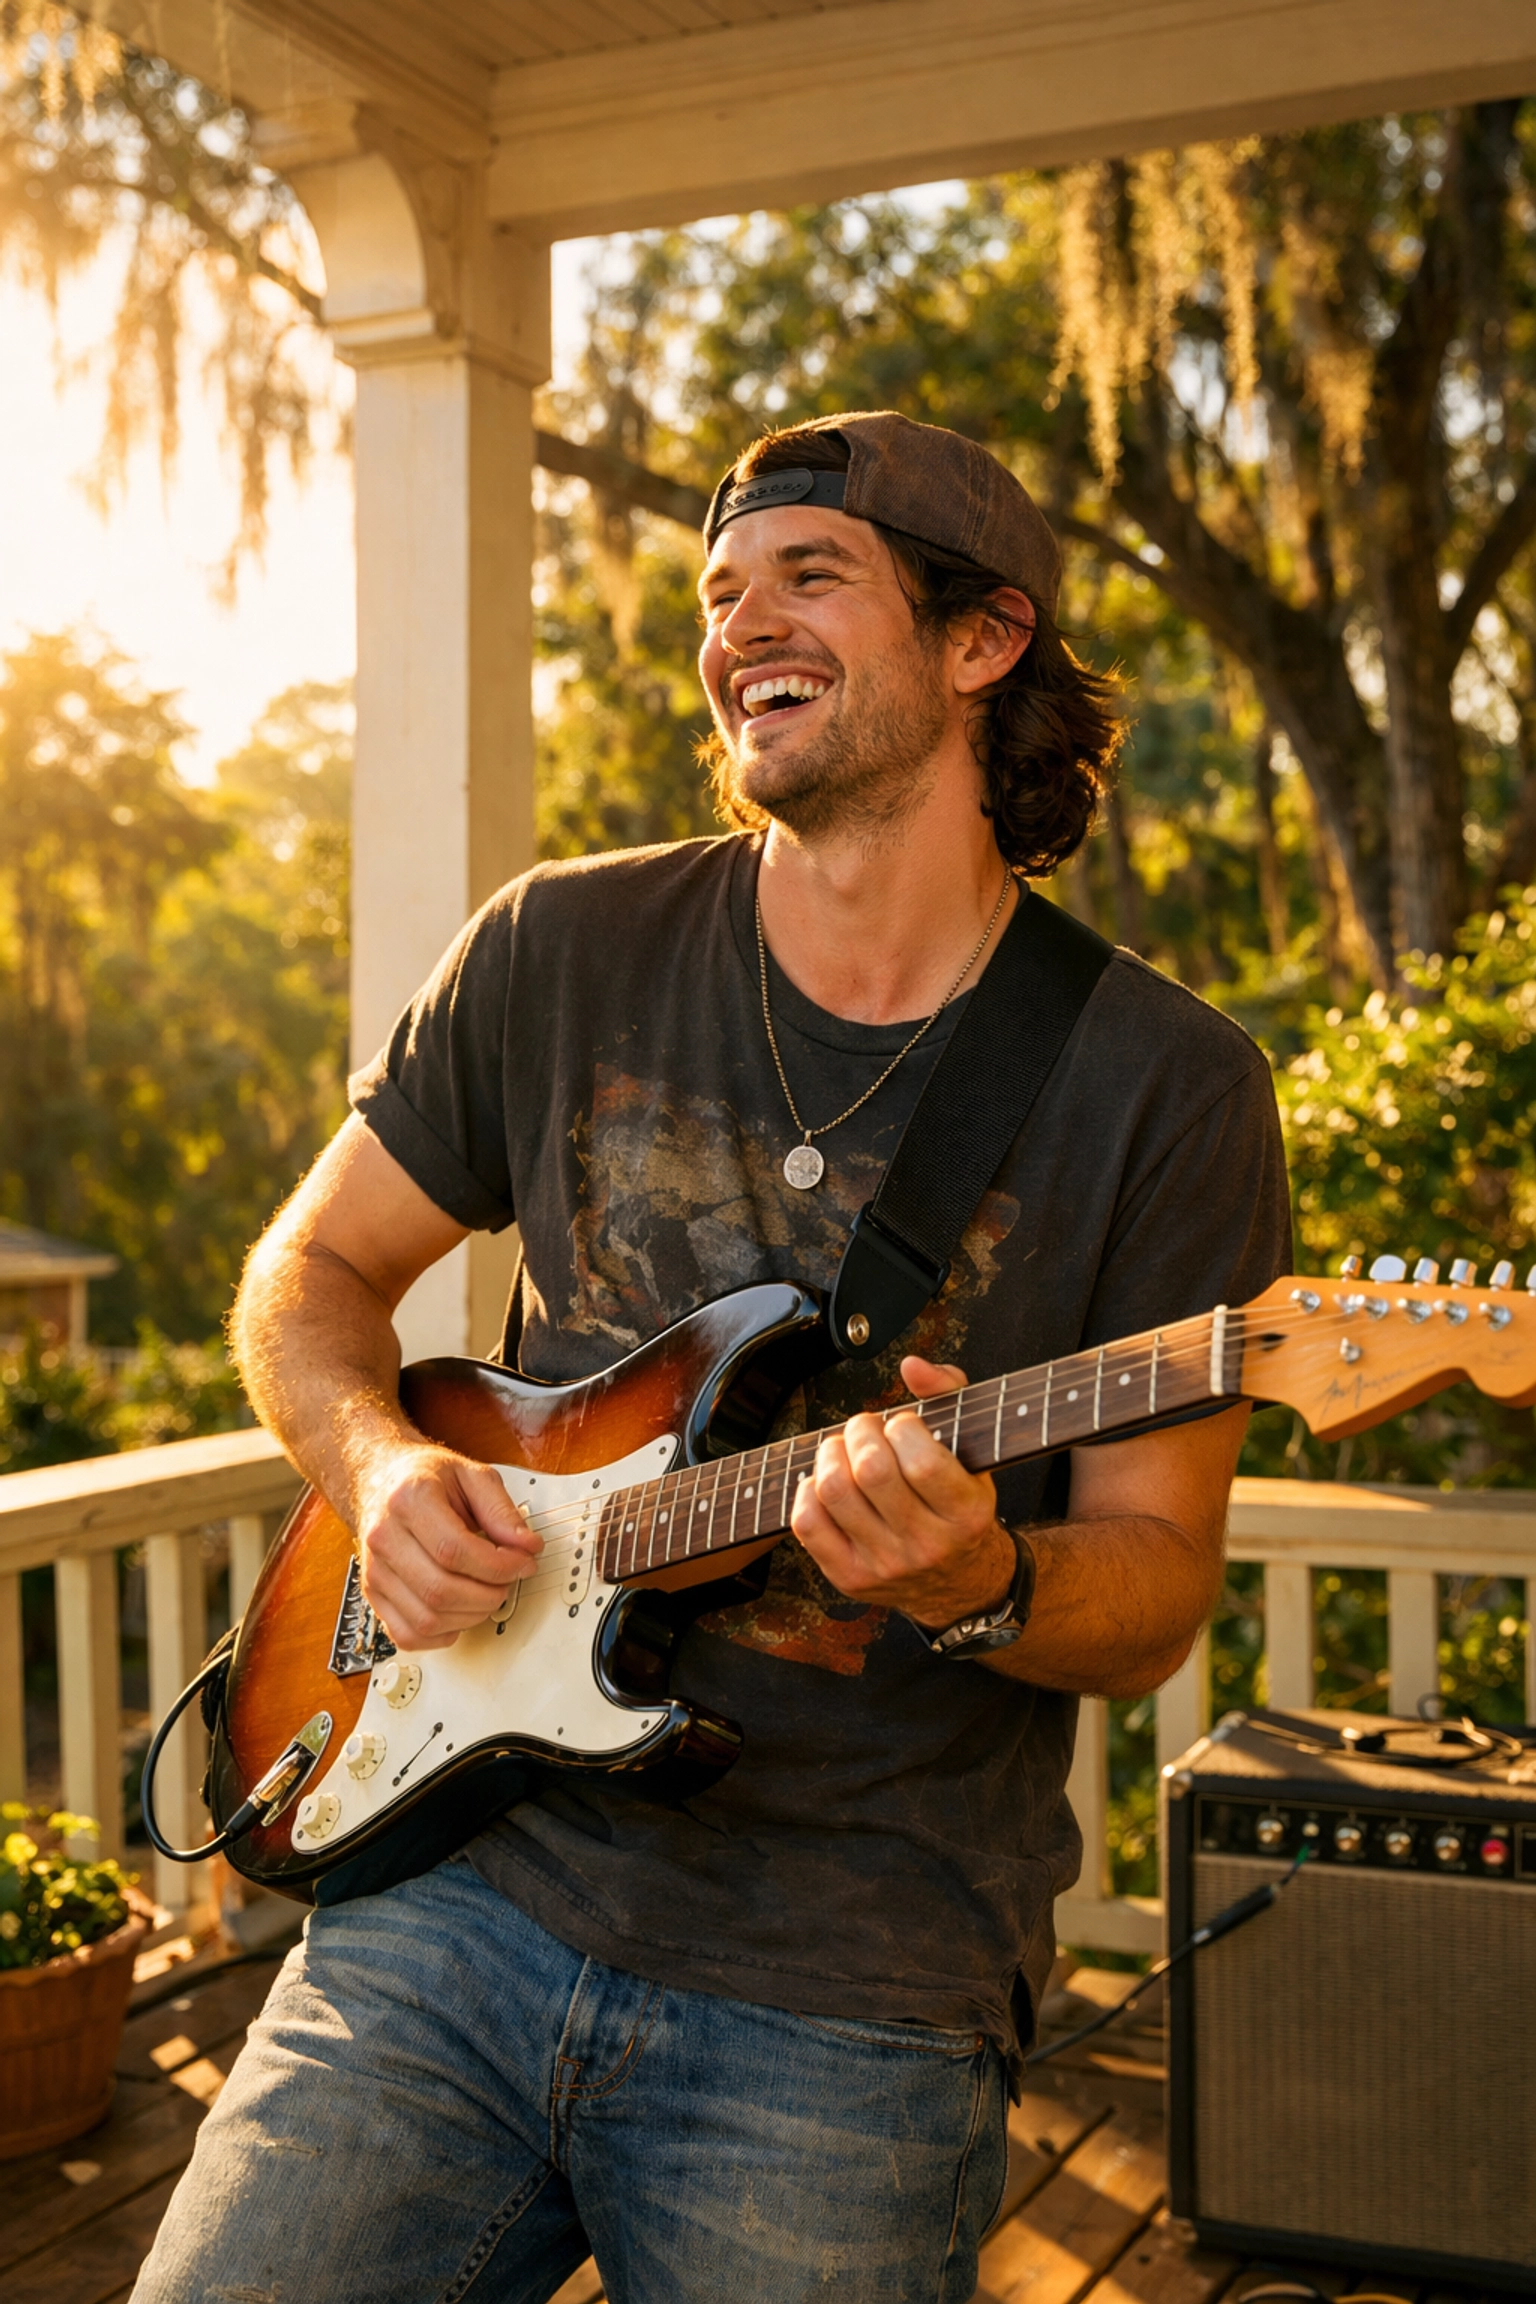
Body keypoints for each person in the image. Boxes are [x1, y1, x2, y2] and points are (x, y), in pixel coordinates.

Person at [132, 412, 1290, 2304]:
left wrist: (987, 1576)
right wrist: (384, 1472)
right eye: (720, 591)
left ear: (982, 641)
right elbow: (316, 1268)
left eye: (811, 576)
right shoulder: (559, 946)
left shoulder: (1168, 1085)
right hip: (456, 1893)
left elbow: (1152, 1589)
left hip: (856, 1984)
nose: (740, 620)